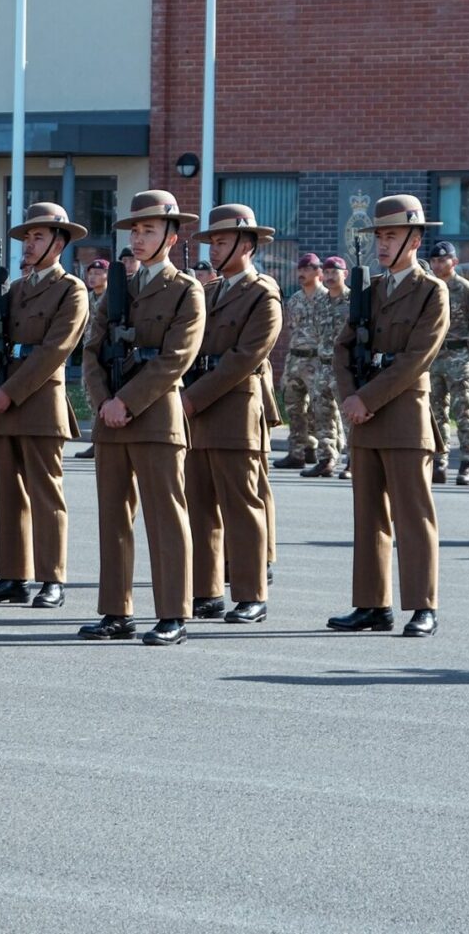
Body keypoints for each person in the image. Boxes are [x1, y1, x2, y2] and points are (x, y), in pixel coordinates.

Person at [78, 190, 204, 646]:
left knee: (165, 517)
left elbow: (176, 358)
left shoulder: (186, 289)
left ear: (171, 236)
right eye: (135, 229)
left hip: (154, 418)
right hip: (111, 416)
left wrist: (126, 402)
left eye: (149, 229)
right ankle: (116, 611)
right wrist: (102, 402)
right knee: (113, 518)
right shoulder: (119, 288)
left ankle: (173, 613)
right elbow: (91, 352)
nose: (139, 237)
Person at [328, 195, 449, 638]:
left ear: (415, 240)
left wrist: (367, 398)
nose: (382, 244)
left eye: (392, 235)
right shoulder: (371, 290)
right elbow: (342, 349)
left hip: (403, 416)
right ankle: (372, 604)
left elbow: (417, 358)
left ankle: (422, 605)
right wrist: (350, 397)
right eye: (379, 235)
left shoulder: (432, 291)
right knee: (368, 516)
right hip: (364, 417)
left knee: (412, 516)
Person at [0, 202, 89, 609]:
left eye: (39, 237)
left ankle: (52, 578)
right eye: (27, 237)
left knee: (45, 495)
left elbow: (55, 350)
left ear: (60, 243)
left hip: (39, 402)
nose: (30, 244)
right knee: (9, 495)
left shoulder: (71, 290)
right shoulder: (14, 290)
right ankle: (12, 576)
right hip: (3, 402)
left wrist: (9, 392)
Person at [182, 204, 283, 625]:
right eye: (213, 242)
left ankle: (251, 594)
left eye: (222, 242)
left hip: (236, 409)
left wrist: (193, 398)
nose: (214, 250)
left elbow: (244, 358)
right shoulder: (207, 293)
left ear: (246, 244)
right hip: (198, 411)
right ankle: (206, 591)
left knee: (242, 506)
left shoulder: (263, 294)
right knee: (200, 503)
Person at [425, 241, 469, 486]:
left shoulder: (467, 290)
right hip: (434, 357)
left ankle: (467, 462)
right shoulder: (429, 290)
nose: (438, 265)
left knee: (463, 410)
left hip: (459, 356)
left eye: (443, 260)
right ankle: (439, 461)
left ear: (454, 262)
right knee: (435, 412)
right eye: (434, 261)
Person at [302, 256, 352, 479]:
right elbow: (315, 332)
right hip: (322, 366)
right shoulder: (320, 301)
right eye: (327, 272)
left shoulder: (354, 301)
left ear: (345, 274)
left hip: (344, 368)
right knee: (322, 415)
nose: (330, 276)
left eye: (335, 272)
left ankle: (354, 460)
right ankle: (326, 459)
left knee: (348, 415)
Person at [276, 253, 326, 470]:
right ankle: (296, 453)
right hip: (296, 359)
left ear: (318, 271)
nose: (301, 273)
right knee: (294, 408)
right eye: (300, 269)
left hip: (317, 361)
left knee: (318, 410)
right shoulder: (294, 300)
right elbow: (291, 330)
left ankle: (317, 451)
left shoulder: (327, 298)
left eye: (307, 269)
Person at [73, 258, 109, 460]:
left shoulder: (111, 297)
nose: (92, 277)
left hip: (105, 354)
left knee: (103, 394)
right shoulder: (86, 298)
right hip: (89, 353)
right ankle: (97, 441)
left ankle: (101, 441)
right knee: (89, 395)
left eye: (98, 273)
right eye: (90, 273)